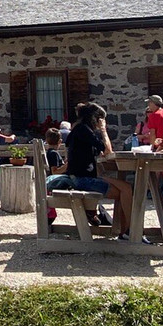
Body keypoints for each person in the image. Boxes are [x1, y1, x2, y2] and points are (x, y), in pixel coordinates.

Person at [60, 102, 136, 239]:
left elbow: (99, 152)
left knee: (125, 189)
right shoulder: (84, 130)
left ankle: (124, 230)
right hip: (83, 179)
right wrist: (104, 130)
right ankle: (129, 230)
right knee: (125, 190)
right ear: (96, 119)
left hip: (79, 176)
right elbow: (108, 150)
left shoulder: (78, 130)